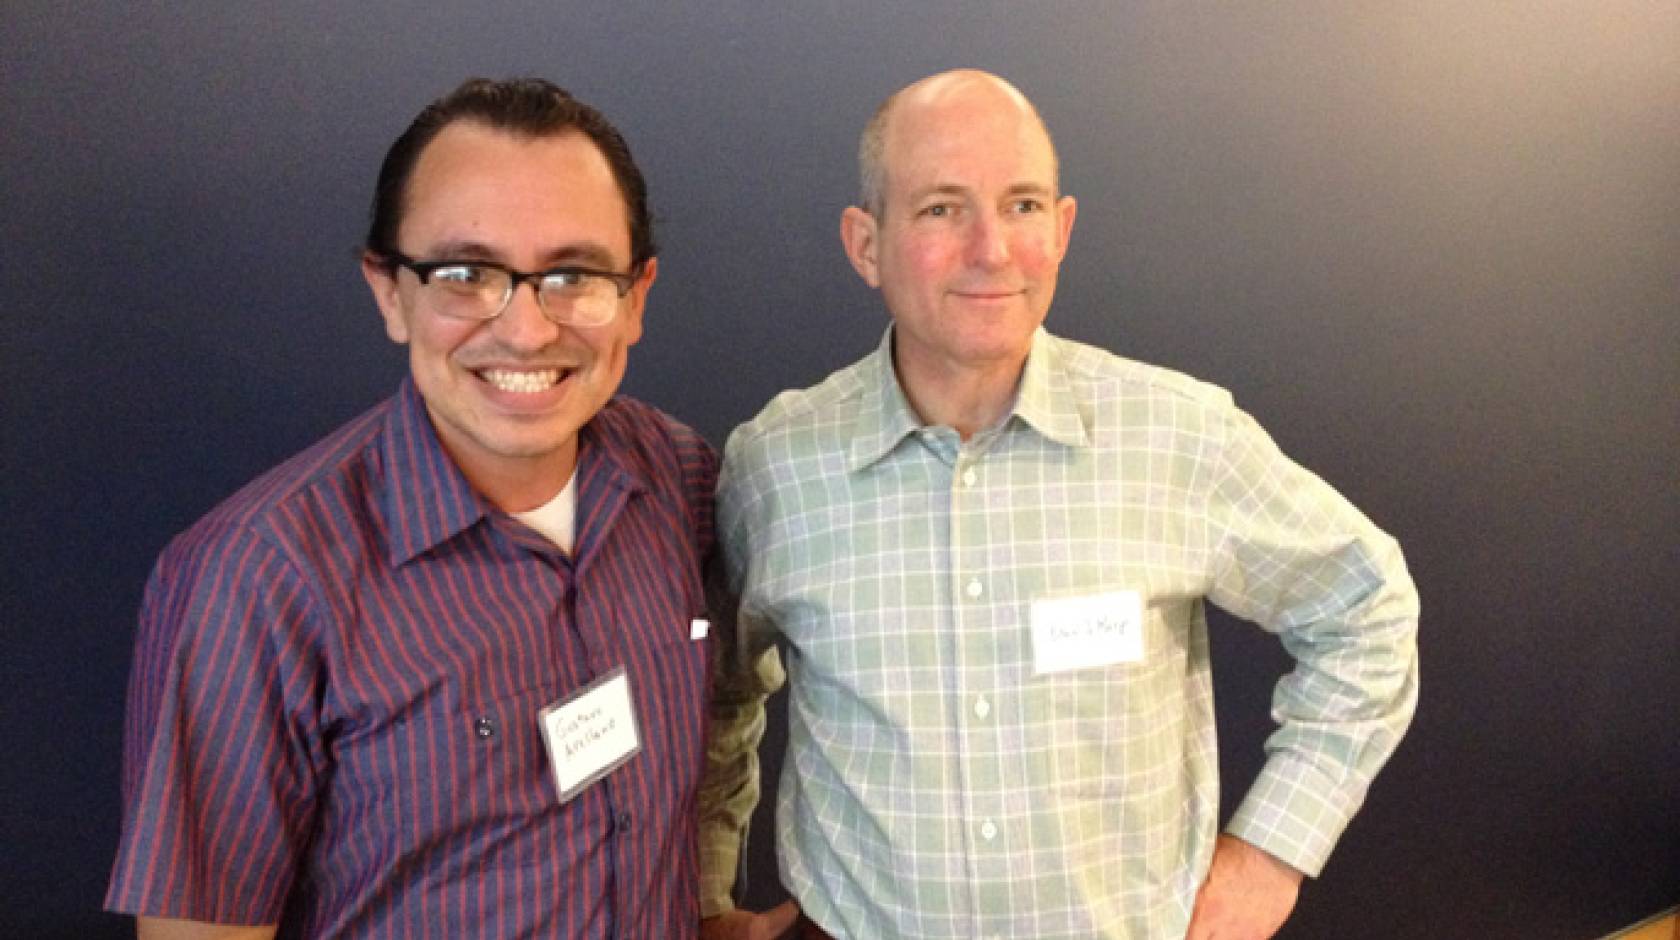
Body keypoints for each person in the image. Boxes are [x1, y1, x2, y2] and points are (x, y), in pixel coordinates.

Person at [699, 69, 1420, 940]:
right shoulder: (776, 467)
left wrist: (1271, 854)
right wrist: (704, 900)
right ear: (866, 244)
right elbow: (715, 700)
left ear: (1063, 228)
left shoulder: (1176, 437)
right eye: (941, 209)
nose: (992, 249)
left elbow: (1366, 606)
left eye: (1023, 206)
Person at [107, 77, 720, 939]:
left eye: (574, 275)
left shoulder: (678, 478)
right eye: (466, 275)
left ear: (635, 298)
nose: (527, 330)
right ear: (390, 291)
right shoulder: (256, 578)